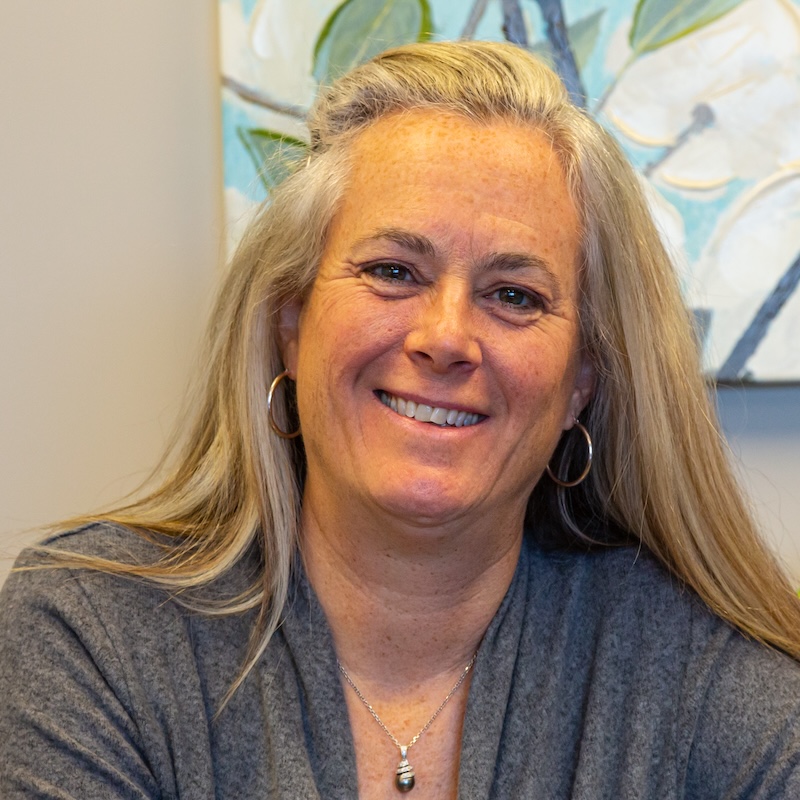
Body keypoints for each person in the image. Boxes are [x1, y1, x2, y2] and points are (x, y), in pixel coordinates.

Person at [2, 40, 800, 799]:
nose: (446, 338)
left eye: (514, 295)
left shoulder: (710, 682)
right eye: (392, 272)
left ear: (581, 381)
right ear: (291, 321)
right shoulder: (88, 636)